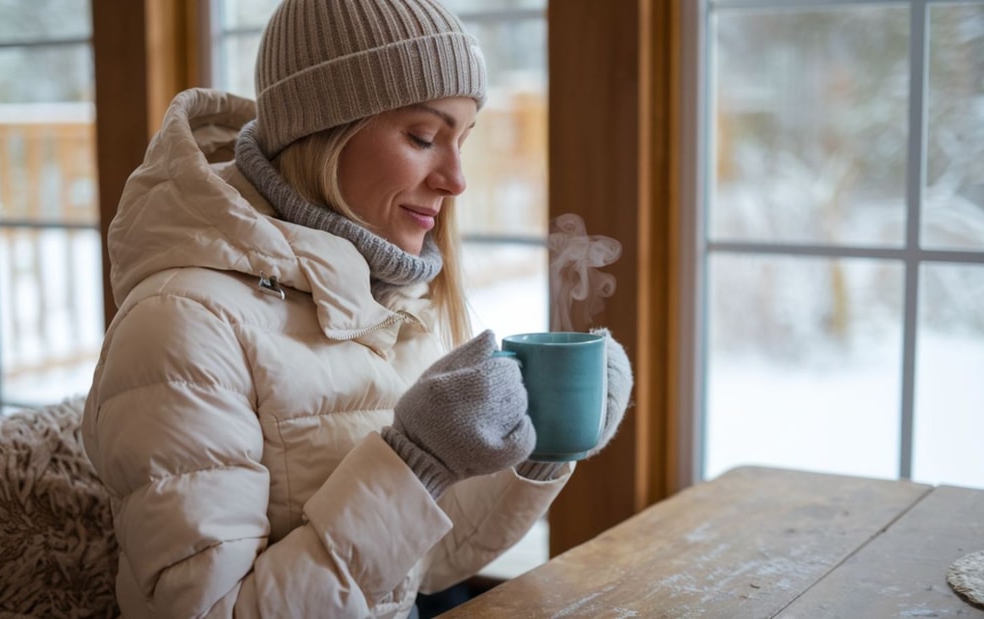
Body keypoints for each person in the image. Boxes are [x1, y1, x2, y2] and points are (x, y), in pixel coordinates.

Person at [81, 0, 634, 617]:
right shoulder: (183, 325)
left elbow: (422, 568)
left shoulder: (388, 296)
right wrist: (414, 463)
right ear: (320, 132)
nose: (456, 179)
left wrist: (539, 449)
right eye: (424, 137)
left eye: (462, 142)